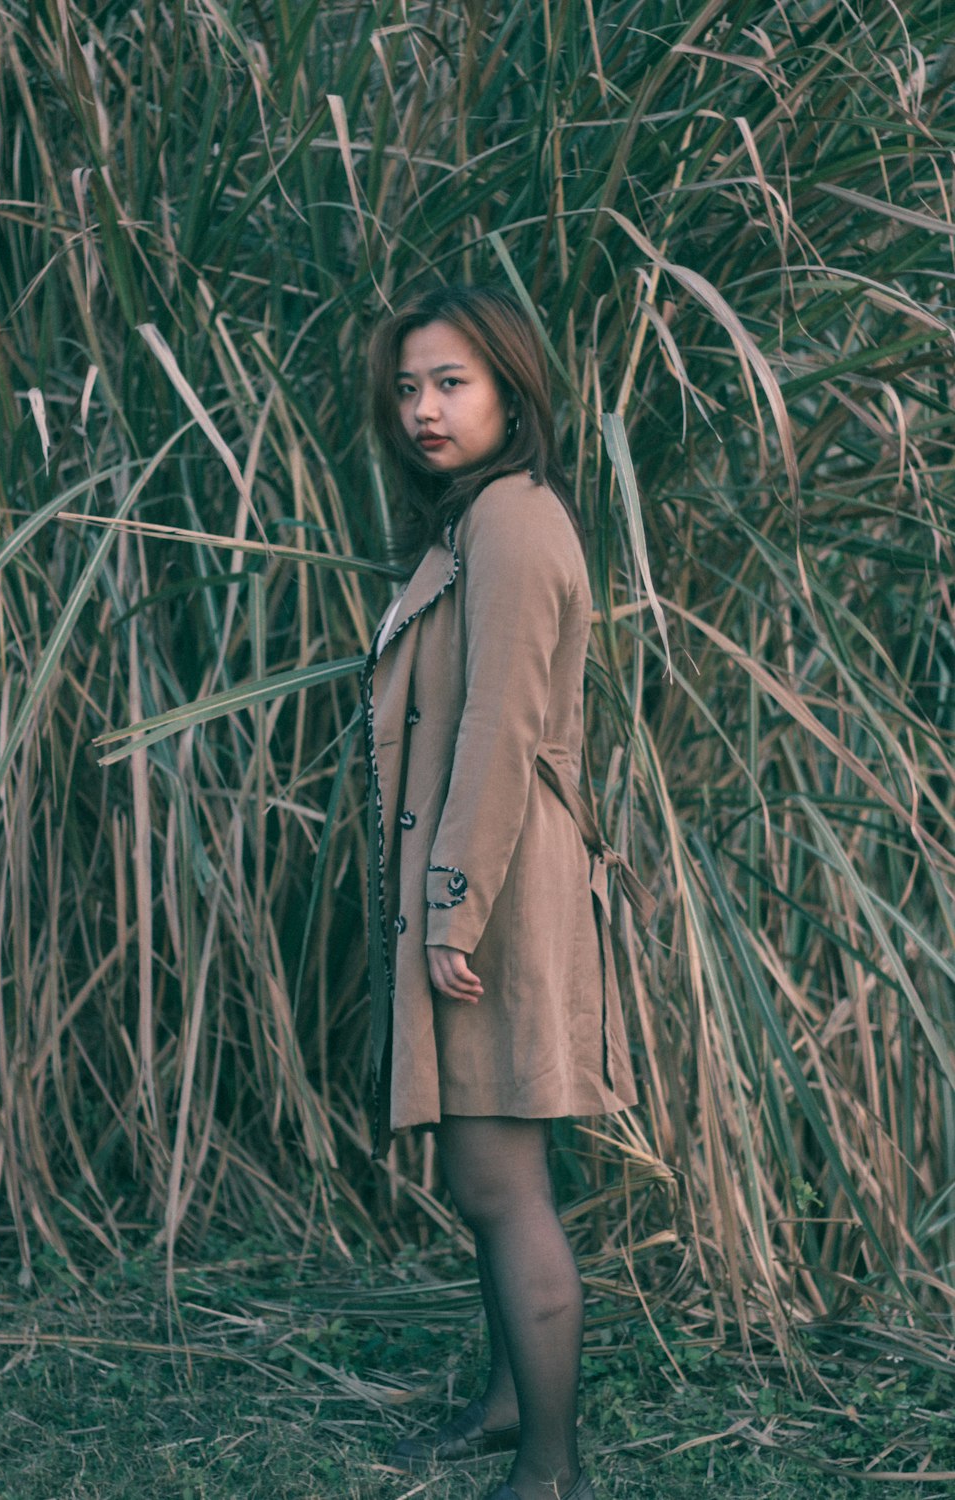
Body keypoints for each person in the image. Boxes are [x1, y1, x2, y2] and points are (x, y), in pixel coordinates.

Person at [361, 284, 649, 1500]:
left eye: (453, 383)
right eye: (411, 386)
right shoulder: (483, 520)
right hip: (486, 886)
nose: (425, 409)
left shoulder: (517, 528)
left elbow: (498, 731)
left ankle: (549, 1467)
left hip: (496, 898)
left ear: (511, 390)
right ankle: (503, 1409)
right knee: (489, 1185)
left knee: (498, 1184)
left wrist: (449, 910)